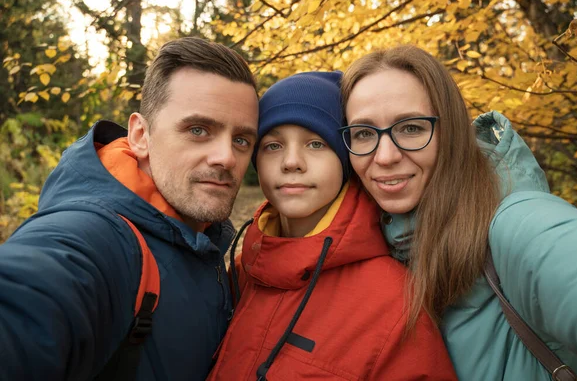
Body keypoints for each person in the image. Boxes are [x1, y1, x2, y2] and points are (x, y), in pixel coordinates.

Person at [0, 37, 259, 380]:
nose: (226, 157)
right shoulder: (94, 238)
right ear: (140, 135)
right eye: (198, 130)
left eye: (241, 139)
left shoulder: (202, 240)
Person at [339, 45, 577, 380]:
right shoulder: (373, 247)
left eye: (412, 128)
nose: (385, 155)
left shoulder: (513, 225)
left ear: (449, 132)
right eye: (363, 133)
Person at [208, 71, 457, 380]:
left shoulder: (395, 302)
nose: (291, 162)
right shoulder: (241, 274)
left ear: (346, 159)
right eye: (273, 146)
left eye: (315, 144)